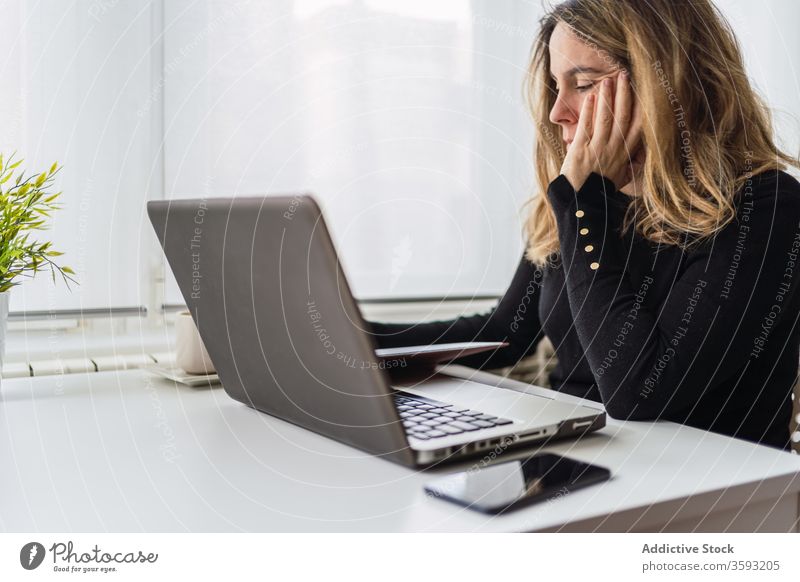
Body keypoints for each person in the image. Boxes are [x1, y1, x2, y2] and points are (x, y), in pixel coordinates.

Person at [368, 0, 800, 450]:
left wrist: (584, 209)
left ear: (667, 84)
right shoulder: (583, 201)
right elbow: (505, 332)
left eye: (585, 84)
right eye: (557, 86)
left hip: (701, 486)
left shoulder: (764, 208)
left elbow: (640, 391)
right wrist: (357, 338)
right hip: (577, 455)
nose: (557, 112)